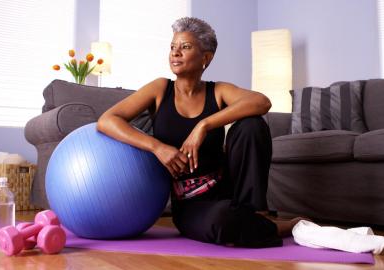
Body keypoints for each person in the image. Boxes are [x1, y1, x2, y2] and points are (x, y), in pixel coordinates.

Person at [97, 17, 300, 247]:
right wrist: (157, 147)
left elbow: (261, 102)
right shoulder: (160, 89)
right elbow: (107, 120)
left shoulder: (218, 91)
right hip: (191, 204)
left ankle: (255, 214)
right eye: (173, 47)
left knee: (251, 124)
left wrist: (203, 125)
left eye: (185, 47)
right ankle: (283, 226)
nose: (175, 53)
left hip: (229, 188)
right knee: (222, 220)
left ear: (206, 58)